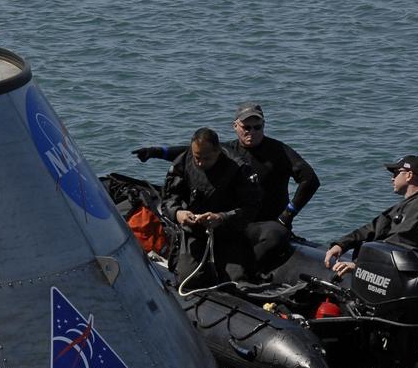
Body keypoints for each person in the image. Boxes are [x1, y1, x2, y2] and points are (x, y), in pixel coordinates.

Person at [134, 102, 319, 269]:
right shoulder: (226, 152)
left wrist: (287, 215)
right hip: (232, 222)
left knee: (275, 236)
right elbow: (191, 153)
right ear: (235, 127)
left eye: (257, 127)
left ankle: (248, 270)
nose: (252, 132)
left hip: (265, 225)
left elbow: (310, 180)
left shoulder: (279, 151)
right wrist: (156, 152)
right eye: (246, 127)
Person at [323, 154, 418, 295]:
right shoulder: (406, 205)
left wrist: (358, 266)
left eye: (396, 173)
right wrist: (341, 245)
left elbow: (399, 243)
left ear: (409, 175)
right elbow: (372, 228)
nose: (392, 178)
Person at [161, 128, 260, 287]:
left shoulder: (238, 168)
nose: (200, 163)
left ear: (218, 151)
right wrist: (178, 213)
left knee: (236, 283)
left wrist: (222, 217)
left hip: (228, 233)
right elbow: (169, 197)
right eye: (197, 157)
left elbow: (251, 207)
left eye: (206, 158)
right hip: (194, 232)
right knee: (188, 280)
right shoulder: (184, 161)